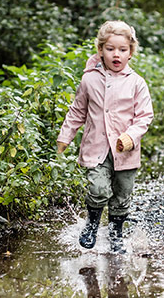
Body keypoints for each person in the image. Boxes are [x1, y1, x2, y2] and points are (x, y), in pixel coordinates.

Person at [57, 20, 154, 252]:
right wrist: (65, 137)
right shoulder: (89, 79)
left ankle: (115, 234)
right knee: (99, 189)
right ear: (100, 50)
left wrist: (131, 136)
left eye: (122, 49)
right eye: (110, 49)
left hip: (125, 151)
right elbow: (77, 111)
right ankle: (91, 223)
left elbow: (144, 116)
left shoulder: (136, 83)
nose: (116, 54)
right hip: (97, 147)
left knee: (122, 195)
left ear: (131, 52)